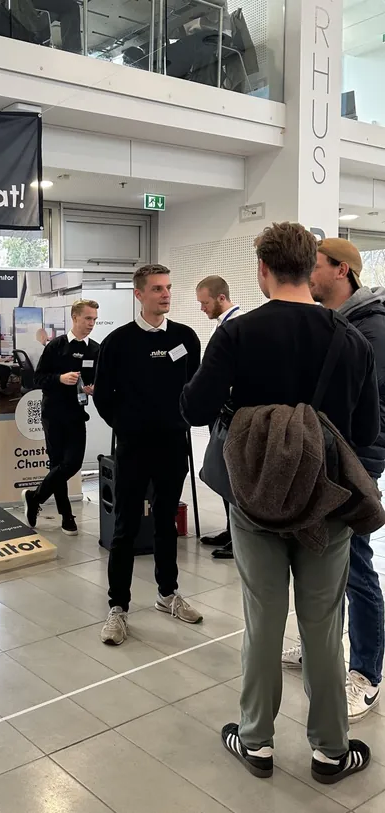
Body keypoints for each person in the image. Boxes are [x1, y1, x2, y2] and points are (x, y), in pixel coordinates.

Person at [181, 222, 379, 785]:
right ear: (309, 268)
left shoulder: (237, 335)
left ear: (263, 270)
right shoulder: (352, 340)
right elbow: (365, 431)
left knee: (262, 619)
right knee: (323, 623)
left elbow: (194, 408)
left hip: (256, 501)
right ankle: (330, 751)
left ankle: (256, 742)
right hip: (328, 503)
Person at [290, 237, 385, 722]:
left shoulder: (371, 329)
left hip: (356, 461)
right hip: (328, 456)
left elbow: (363, 407)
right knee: (323, 558)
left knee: (355, 564)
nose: (310, 274)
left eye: (317, 266)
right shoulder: (339, 324)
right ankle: (321, 648)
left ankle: (366, 673)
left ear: (342, 272)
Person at [94, 264, 203, 646]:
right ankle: (118, 608)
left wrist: (183, 421)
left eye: (169, 287)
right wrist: (127, 425)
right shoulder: (118, 342)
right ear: (139, 295)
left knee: (165, 522)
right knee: (125, 527)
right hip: (134, 447)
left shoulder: (186, 338)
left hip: (173, 445)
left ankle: (166, 593)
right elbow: (103, 397)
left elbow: (195, 386)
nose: (166, 294)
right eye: (157, 288)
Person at [23, 299, 100, 536]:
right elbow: (37, 380)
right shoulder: (55, 346)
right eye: (88, 318)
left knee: (72, 463)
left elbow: (97, 379)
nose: (91, 324)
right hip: (54, 414)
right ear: (75, 318)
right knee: (57, 465)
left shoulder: (95, 349)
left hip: (77, 414)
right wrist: (60, 378)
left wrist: (92, 387)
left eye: (95, 320)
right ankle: (66, 515)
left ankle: (35, 497)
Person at [195, 275, 243, 560]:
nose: (202, 308)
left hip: (233, 415)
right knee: (222, 473)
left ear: (221, 298)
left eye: (204, 303)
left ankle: (239, 537)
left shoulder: (237, 328)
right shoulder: (225, 327)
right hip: (220, 413)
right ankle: (230, 530)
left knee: (232, 475)